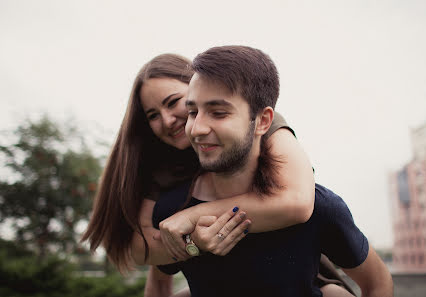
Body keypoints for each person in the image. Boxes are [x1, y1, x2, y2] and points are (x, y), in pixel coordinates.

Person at [81, 53, 354, 297]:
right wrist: (193, 242)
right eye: (152, 115)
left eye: (173, 102)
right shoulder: (162, 164)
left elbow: (296, 201)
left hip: (299, 276)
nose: (167, 120)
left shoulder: (262, 125)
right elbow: (144, 249)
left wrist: (190, 218)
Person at [148, 45, 393, 297]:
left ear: (263, 121)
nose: (197, 128)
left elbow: (378, 283)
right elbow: (157, 282)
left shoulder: (321, 208)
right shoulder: (172, 211)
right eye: (192, 112)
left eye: (218, 113)